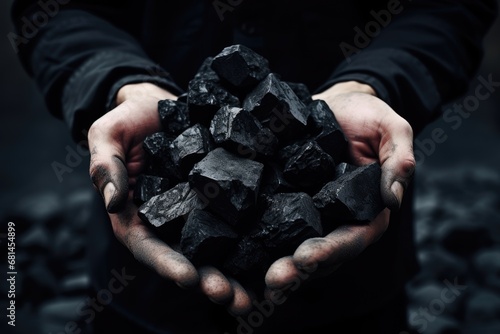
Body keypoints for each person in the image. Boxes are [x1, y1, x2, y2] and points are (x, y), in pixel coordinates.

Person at [11, 1, 497, 333]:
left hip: (354, 288)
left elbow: (448, 8)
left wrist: (375, 83)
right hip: (141, 288)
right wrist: (119, 81)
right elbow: (50, 10)